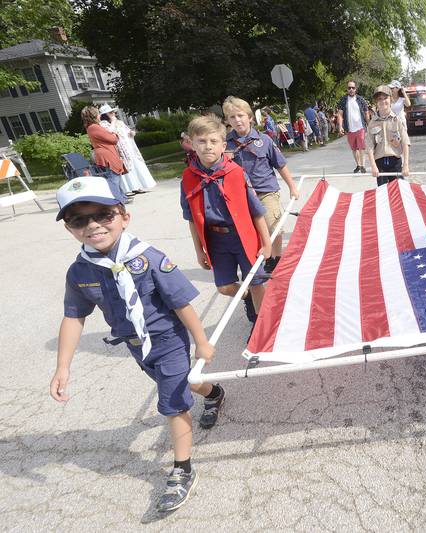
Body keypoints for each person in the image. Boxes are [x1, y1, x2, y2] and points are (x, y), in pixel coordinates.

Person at [50, 175, 223, 513]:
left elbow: (180, 302)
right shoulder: (80, 271)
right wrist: (63, 366)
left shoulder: (149, 257)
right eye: (79, 220)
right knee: (182, 384)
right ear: (69, 227)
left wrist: (200, 341)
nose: (93, 225)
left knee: (172, 402)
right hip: (135, 346)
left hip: (168, 340)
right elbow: (74, 316)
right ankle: (214, 393)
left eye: (104, 214)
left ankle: (182, 470)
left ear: (124, 216)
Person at [180, 114, 271, 325]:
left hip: (243, 237)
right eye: (201, 141)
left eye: (213, 141)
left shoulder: (236, 173)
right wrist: (198, 250)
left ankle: (263, 327)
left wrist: (266, 244)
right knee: (224, 287)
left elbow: (257, 211)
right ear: (192, 144)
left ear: (223, 145)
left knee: (257, 282)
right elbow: (191, 218)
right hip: (216, 241)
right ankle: (246, 296)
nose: (207, 147)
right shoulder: (188, 178)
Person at [223, 96, 300, 293]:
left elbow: (280, 164)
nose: (237, 120)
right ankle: (259, 258)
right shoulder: (225, 145)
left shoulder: (263, 140)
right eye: (232, 117)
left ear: (249, 117)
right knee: (251, 230)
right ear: (227, 121)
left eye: (240, 115)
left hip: (266, 191)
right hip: (241, 195)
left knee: (273, 224)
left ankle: (276, 258)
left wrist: (292, 186)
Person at [98, 104, 157, 195]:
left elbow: (127, 130)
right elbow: (110, 132)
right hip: (119, 150)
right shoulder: (103, 124)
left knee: (135, 166)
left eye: (113, 112)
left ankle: (138, 186)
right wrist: (113, 121)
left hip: (129, 148)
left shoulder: (119, 122)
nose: (113, 113)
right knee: (126, 167)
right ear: (105, 115)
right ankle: (129, 189)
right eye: (110, 112)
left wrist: (131, 133)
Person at [365, 85, 410, 187]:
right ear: (376, 102)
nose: (383, 101)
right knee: (383, 195)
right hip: (380, 164)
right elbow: (369, 146)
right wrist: (373, 166)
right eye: (379, 99)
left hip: (395, 162)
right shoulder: (372, 123)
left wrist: (406, 165)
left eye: (385, 98)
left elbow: (405, 142)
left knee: (399, 192)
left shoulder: (397, 120)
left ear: (391, 99)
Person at [81, 105, 127, 203]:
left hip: (108, 153)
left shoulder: (94, 127)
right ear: (94, 115)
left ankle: (121, 197)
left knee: (115, 177)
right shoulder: (94, 127)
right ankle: (117, 200)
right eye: (97, 114)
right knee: (113, 179)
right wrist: (114, 132)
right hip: (106, 155)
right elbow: (113, 139)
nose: (100, 116)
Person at [337, 80, 371, 173]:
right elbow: (340, 114)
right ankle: (358, 165)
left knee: (361, 147)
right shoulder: (343, 100)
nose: (351, 89)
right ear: (347, 89)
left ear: (356, 89)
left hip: (360, 127)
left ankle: (363, 165)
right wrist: (340, 126)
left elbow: (366, 112)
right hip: (350, 129)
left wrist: (369, 124)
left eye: (353, 88)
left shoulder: (361, 99)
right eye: (349, 88)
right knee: (354, 148)